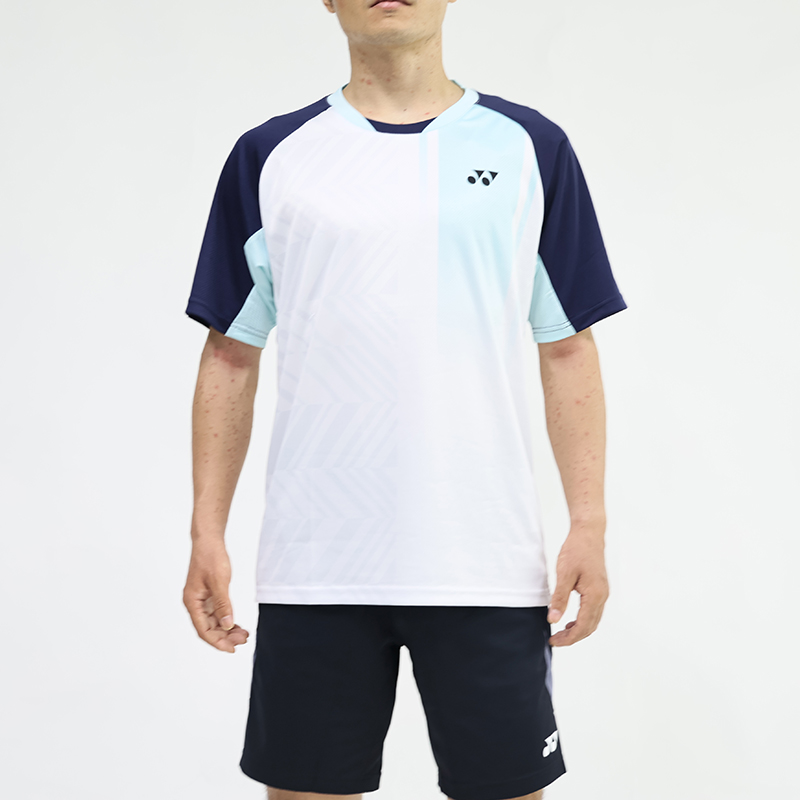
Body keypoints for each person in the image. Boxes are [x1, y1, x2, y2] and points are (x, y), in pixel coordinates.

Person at [182, 1, 626, 799]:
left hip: (483, 561)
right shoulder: (271, 156)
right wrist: (205, 530)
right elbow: (230, 353)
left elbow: (565, 346)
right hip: (317, 566)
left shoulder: (531, 148)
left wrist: (588, 523)